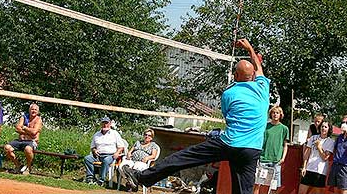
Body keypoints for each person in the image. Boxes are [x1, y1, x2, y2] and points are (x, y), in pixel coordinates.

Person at [123, 38, 270, 194]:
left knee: (183, 158)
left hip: (230, 143)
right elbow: (258, 66)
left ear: (235, 75)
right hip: (252, 149)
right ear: (253, 75)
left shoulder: (230, 93)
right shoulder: (263, 88)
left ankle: (142, 178)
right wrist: (249, 49)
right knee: (244, 191)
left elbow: (228, 118)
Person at [254, 106, 289, 194]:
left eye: (277, 113)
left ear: (280, 115)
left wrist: (283, 158)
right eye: (273, 113)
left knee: (274, 186)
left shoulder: (284, 129)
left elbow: (285, 145)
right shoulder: (265, 126)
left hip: (276, 161)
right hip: (264, 159)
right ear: (270, 114)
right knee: (258, 183)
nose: (275, 114)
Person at [84, 116, 125, 186]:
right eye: (103, 123)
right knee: (87, 158)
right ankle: (90, 177)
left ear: (110, 124)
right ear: (101, 124)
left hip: (110, 155)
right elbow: (92, 147)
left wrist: (117, 153)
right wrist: (94, 150)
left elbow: (121, 147)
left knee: (106, 161)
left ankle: (101, 180)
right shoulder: (96, 134)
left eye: (106, 123)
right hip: (98, 155)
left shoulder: (115, 133)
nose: (105, 125)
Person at [4, 103, 43, 175]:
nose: (33, 111)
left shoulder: (38, 120)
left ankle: (28, 167)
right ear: (29, 110)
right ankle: (18, 165)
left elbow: (34, 132)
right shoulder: (24, 117)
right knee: (7, 148)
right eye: (32, 109)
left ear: (38, 111)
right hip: (20, 141)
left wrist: (24, 128)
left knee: (28, 149)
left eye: (35, 110)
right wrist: (29, 133)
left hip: (32, 142)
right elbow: (17, 128)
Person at [299, 119, 334, 194]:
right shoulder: (313, 138)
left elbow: (325, 158)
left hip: (320, 171)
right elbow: (307, 153)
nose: (323, 128)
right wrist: (304, 167)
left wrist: (319, 147)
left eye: (325, 127)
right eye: (322, 126)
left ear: (329, 129)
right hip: (308, 169)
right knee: (301, 191)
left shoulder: (330, 142)